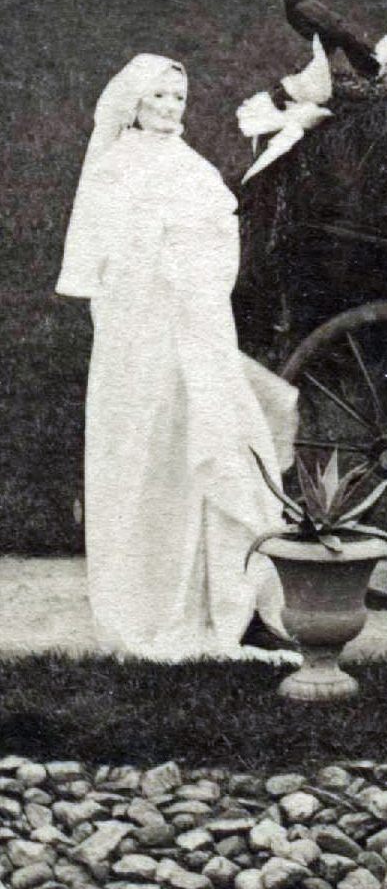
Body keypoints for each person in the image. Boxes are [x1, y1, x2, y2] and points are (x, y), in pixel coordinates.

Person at [56, 55, 298, 661]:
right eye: (159, 97)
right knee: (162, 457)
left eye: (177, 98)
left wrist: (200, 280)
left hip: (199, 327)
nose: (169, 108)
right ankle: (163, 605)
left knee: (227, 446)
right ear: (134, 102)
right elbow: (121, 263)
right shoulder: (116, 169)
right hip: (148, 336)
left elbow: (218, 239)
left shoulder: (189, 165)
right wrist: (169, 279)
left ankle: (237, 602)